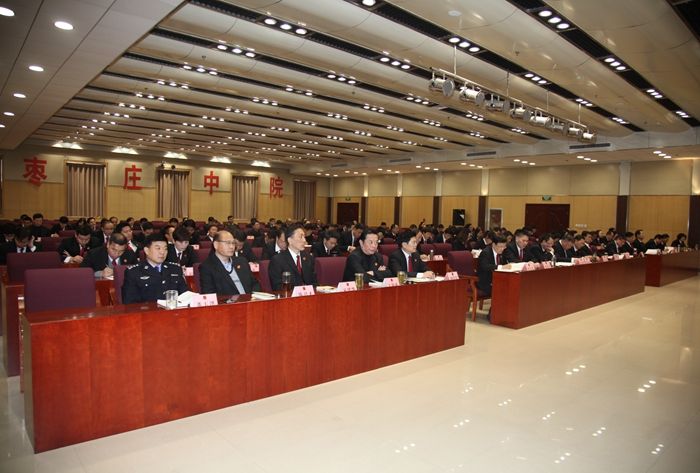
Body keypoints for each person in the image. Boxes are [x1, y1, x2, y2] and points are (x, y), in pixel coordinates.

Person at [121, 233, 189, 304]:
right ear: (146, 250)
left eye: (165, 249)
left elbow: (185, 295)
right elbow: (130, 303)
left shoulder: (175, 269)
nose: (162, 252)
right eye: (158, 248)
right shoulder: (134, 272)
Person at [199, 230, 261, 296]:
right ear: (216, 245)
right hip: (228, 302)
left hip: (250, 300)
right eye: (227, 243)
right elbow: (210, 294)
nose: (232, 247)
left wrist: (253, 297)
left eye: (233, 243)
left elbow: (255, 284)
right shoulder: (207, 267)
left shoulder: (242, 261)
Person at [268, 223, 317, 290]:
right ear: (290, 240)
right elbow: (277, 287)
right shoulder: (277, 260)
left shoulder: (309, 258)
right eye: (300, 237)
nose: (304, 240)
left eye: (304, 237)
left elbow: (314, 283)